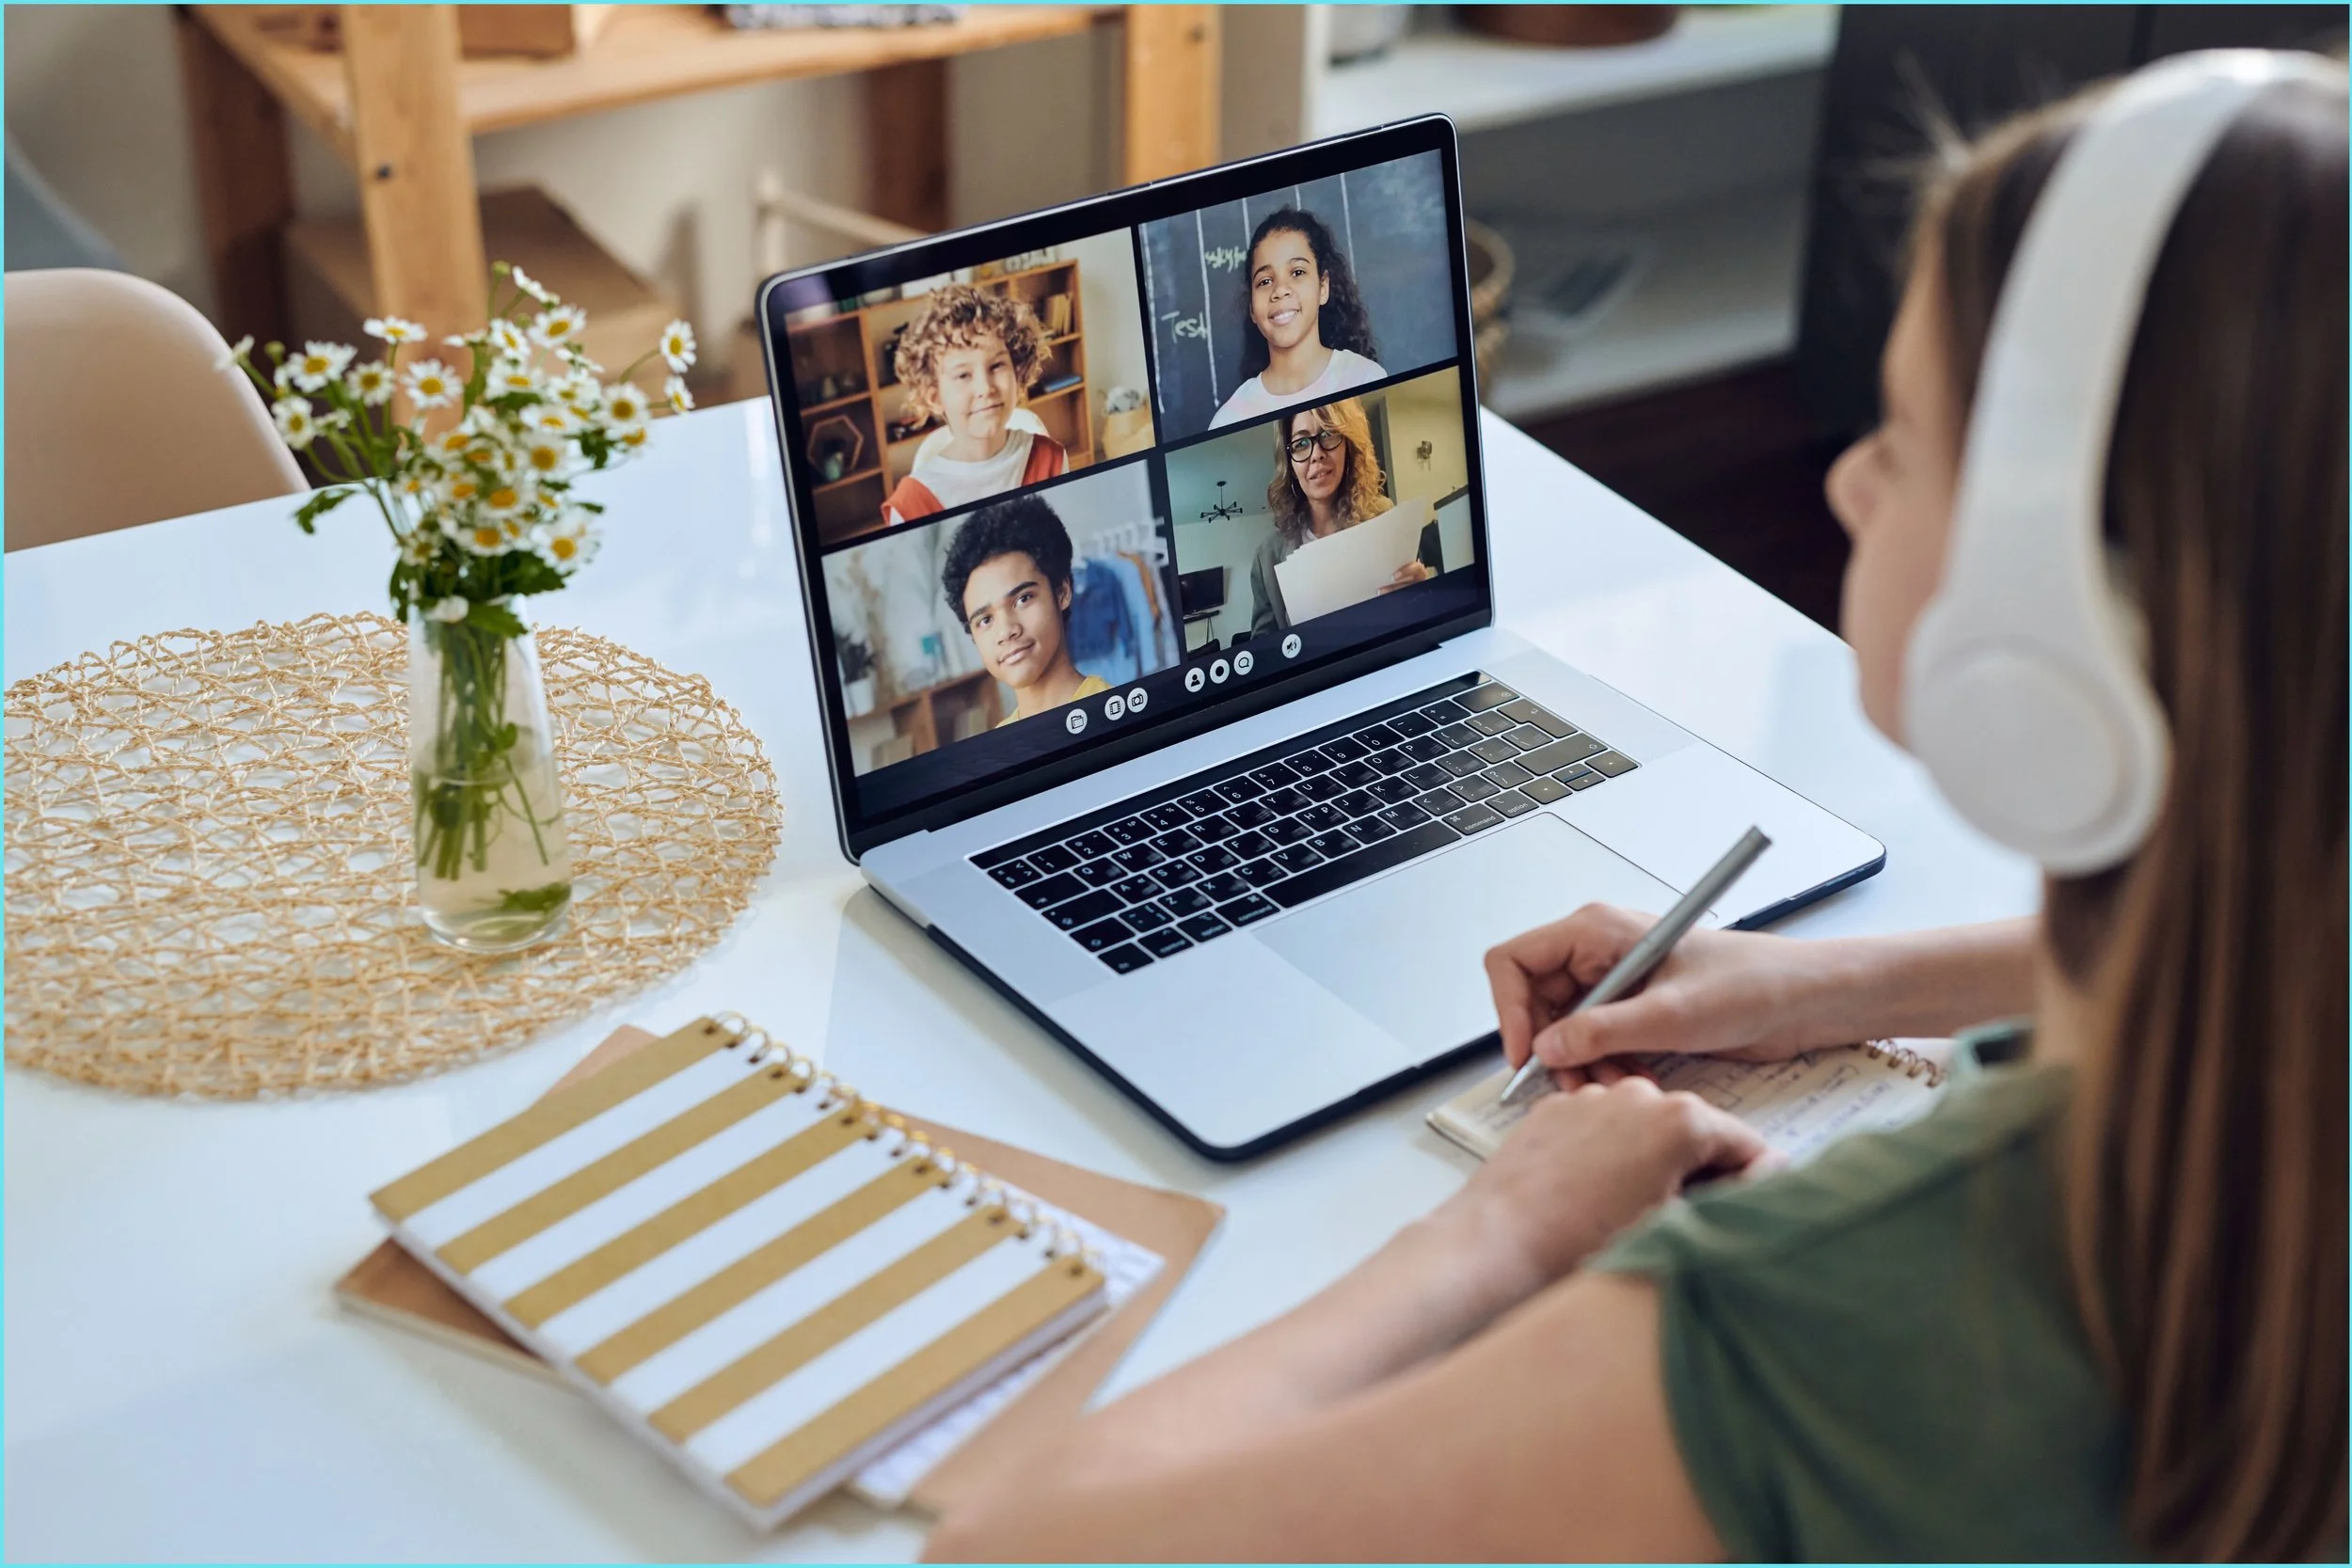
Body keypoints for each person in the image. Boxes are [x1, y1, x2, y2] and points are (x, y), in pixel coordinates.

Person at [926, 55, 2345, 1561]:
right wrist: (1828, 978)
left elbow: (1007, 1544)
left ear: (2063, 621)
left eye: (1908, 437)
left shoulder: (1837, 1322)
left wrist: (1503, 1228)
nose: (1853, 480)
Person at [1248, 398, 1437, 636]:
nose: (1316, 454)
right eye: (1300, 444)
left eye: (1328, 433)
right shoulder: (1267, 557)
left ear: (1348, 445)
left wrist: (1419, 596)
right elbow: (1264, 649)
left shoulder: (1383, 515)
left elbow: (1415, 620)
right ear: (1290, 465)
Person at [884, 283, 1069, 526]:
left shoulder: (1050, 460)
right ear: (935, 398)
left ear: (1018, 371)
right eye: (963, 375)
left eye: (997, 366)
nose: (985, 388)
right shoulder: (911, 506)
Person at [1208, 207, 1388, 429]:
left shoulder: (1365, 378)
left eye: (1297, 273)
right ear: (1252, 309)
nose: (1280, 290)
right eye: (1265, 281)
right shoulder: (1230, 419)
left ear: (1323, 287)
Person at [943, 493, 1108, 727]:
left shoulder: (1108, 709)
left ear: (1062, 593)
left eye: (1023, 599)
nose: (1006, 631)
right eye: (985, 620)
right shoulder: (1000, 741)